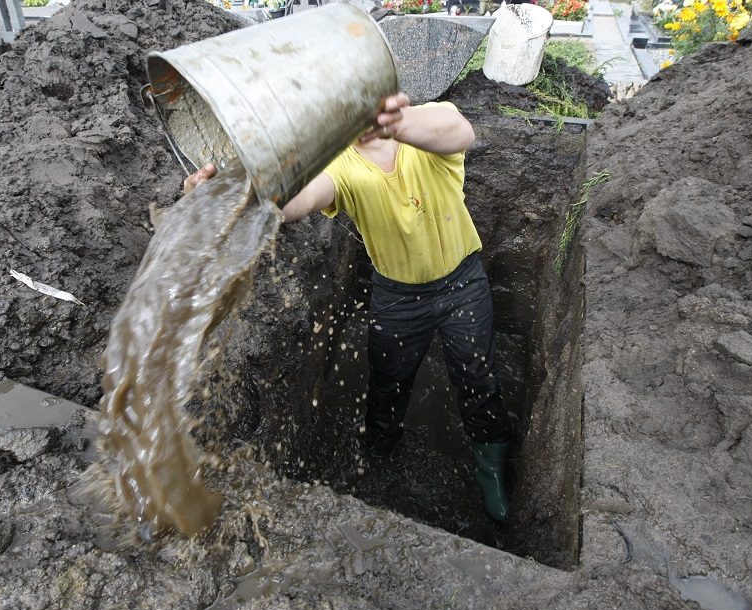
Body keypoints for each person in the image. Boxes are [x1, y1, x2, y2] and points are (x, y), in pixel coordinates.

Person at [184, 93, 516, 522]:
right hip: (397, 297)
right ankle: (380, 449)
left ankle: (490, 469)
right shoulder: (339, 164)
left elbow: (461, 132)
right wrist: (231, 194)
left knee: (477, 376)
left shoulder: (427, 127)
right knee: (389, 380)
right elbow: (296, 202)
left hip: (462, 284)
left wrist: (393, 125)